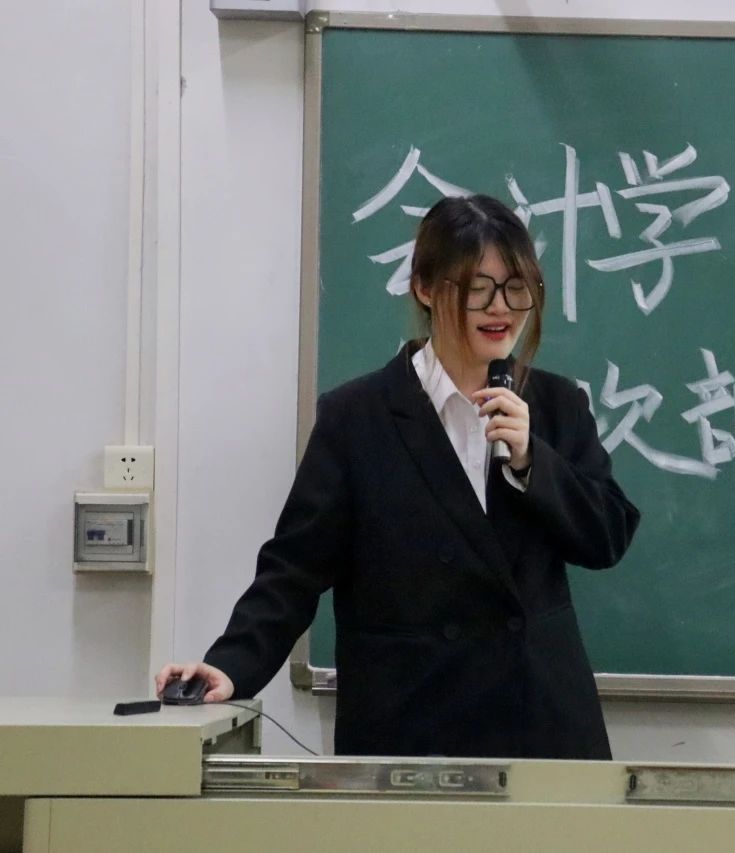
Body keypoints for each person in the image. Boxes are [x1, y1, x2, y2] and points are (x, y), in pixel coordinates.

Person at [155, 195, 641, 759]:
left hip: (541, 724)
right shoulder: (357, 416)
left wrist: (533, 460)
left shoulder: (555, 405)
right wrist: (230, 665)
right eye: (478, 288)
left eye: (517, 287)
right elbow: (294, 569)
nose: (501, 308)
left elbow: (607, 536)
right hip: (413, 725)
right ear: (425, 288)